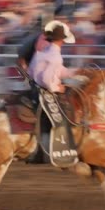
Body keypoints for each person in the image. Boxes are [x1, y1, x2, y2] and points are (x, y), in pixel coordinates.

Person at [25, 20, 78, 167]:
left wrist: (76, 72)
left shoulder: (42, 53)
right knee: (62, 116)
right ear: (62, 40)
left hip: (34, 90)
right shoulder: (55, 56)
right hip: (45, 92)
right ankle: (52, 150)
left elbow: (33, 71)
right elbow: (48, 80)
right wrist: (58, 87)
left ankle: (43, 149)